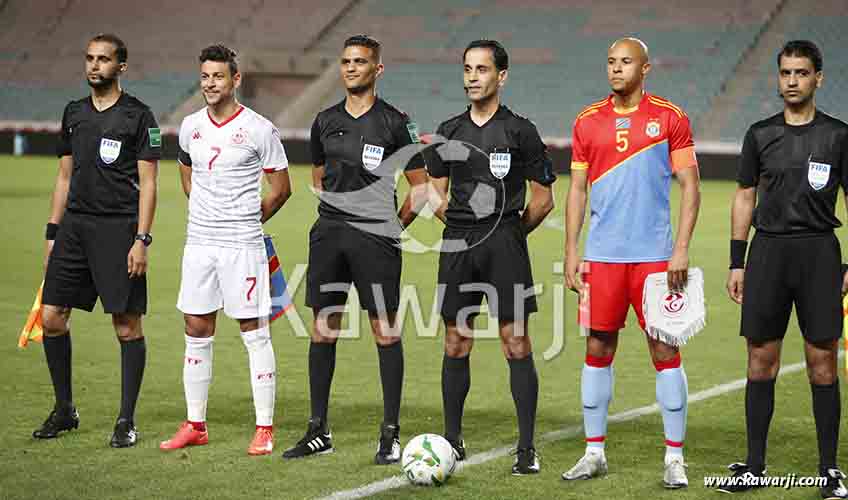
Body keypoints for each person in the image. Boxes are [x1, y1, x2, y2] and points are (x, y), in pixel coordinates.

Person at [281, 34, 427, 464]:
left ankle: (390, 433)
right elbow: (319, 176)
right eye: (345, 61)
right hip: (329, 235)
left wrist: (391, 226)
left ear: (377, 69)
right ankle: (317, 429)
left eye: (360, 61)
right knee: (322, 328)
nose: (350, 68)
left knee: (385, 330)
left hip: (376, 239)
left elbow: (420, 189)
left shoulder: (396, 123)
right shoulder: (324, 120)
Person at [562, 38, 700, 488]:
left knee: (665, 350)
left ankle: (675, 458)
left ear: (646, 68)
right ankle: (594, 452)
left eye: (625, 62)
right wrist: (571, 249)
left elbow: (690, 186)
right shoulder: (587, 120)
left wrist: (680, 249)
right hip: (602, 259)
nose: (616, 69)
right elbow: (577, 190)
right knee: (597, 350)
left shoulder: (669, 116)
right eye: (611, 62)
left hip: (655, 259)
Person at [720, 40, 848, 498]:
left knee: (822, 364)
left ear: (818, 78)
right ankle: (754, 465)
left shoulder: (838, 135)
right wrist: (738, 260)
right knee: (760, 361)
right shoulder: (760, 134)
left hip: (819, 254)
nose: (791, 81)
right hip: (768, 253)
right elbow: (743, 196)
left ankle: (830, 470)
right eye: (785, 73)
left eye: (801, 73)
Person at [427, 39, 556, 475]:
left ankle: (526, 447)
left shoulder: (521, 131)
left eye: (481, 69)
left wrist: (510, 232)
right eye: (467, 68)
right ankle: (451, 439)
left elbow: (543, 200)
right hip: (459, 242)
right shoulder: (448, 130)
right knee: (455, 340)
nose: (472, 77)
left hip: (505, 241)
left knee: (515, 341)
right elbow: (435, 193)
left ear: (501, 76)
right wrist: (463, 224)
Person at [159, 45, 292, 456]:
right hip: (199, 244)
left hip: (242, 245)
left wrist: (247, 222)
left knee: (254, 333)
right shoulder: (190, 126)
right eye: (205, 77)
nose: (210, 84)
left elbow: (281, 189)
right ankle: (195, 424)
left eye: (218, 77)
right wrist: (204, 212)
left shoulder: (259, 129)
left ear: (235, 80)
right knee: (196, 330)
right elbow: (186, 172)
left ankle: (264, 429)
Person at [35, 33, 160, 448]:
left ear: (120, 66)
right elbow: (64, 178)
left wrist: (141, 239)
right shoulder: (73, 113)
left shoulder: (140, 116)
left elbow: (149, 183)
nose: (94, 66)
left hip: (118, 229)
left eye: (103, 59)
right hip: (74, 229)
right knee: (51, 317)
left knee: (126, 326)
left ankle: (126, 419)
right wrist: (53, 232)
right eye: (89, 58)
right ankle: (65, 408)